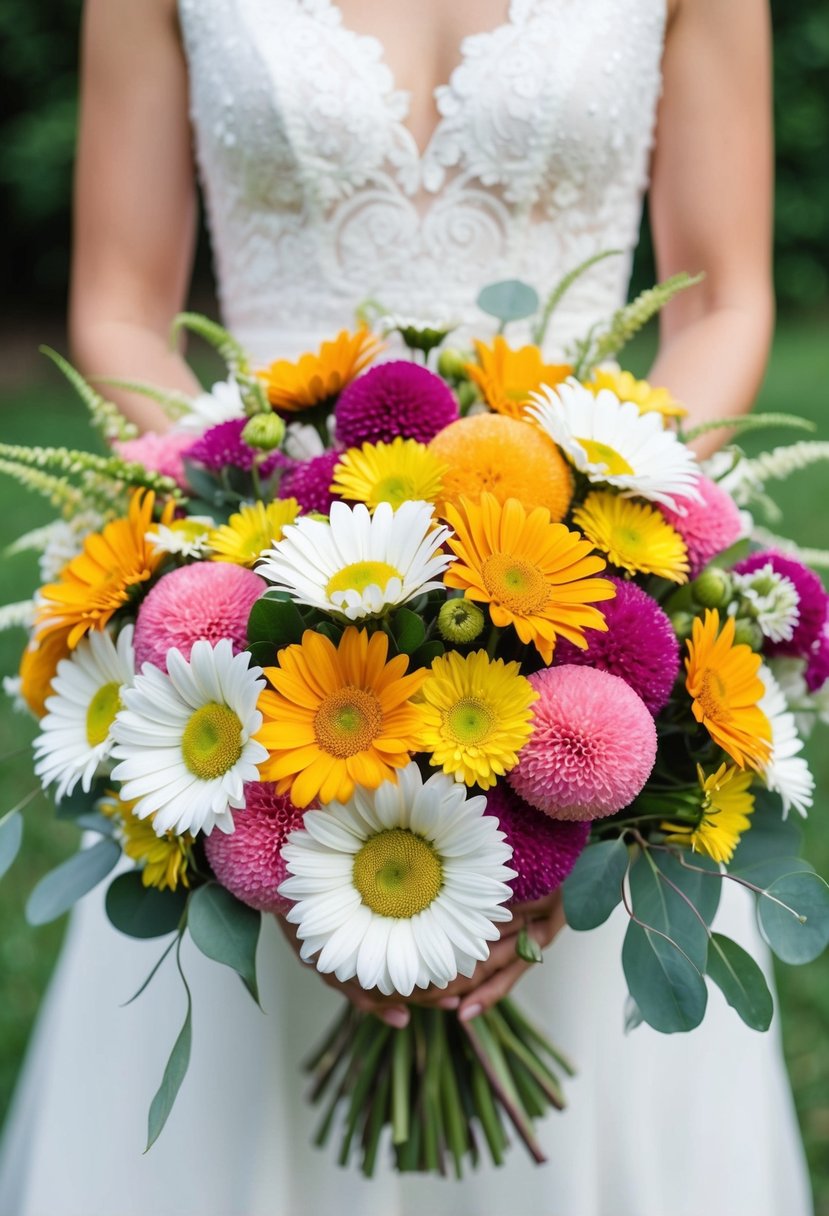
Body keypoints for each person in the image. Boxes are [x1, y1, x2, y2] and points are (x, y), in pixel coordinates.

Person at [0, 0, 814, 1213]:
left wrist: (607, 567)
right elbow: (120, 303)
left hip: (571, 591)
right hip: (271, 590)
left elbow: (719, 302)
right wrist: (232, 565)